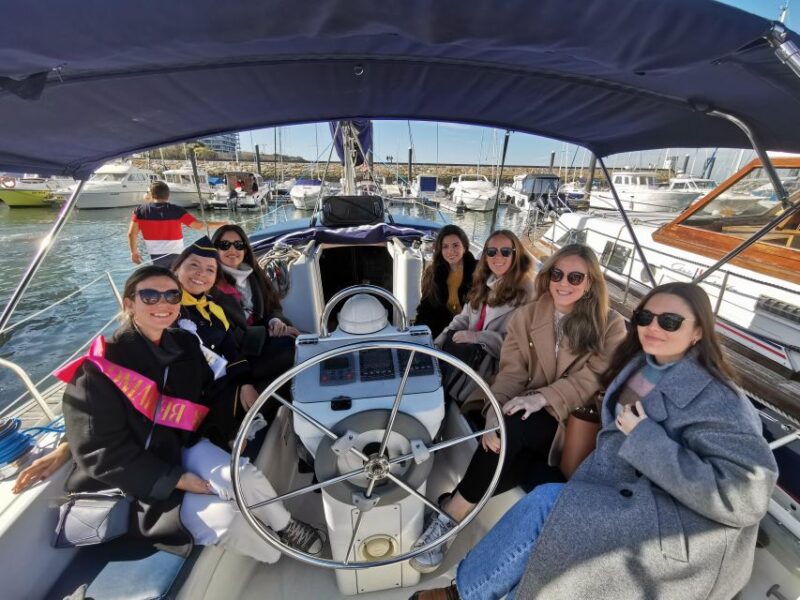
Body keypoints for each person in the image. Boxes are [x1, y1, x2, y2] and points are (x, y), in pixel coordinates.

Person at [412, 282, 778, 600]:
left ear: (698, 331)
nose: (653, 327)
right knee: (541, 509)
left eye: (670, 321)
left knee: (548, 505)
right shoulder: (640, 363)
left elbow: (747, 497)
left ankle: (460, 592)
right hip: (625, 496)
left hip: (675, 530)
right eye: (645, 318)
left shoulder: (720, 398)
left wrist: (644, 438)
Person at [59, 265, 323, 561]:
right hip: (136, 480)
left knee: (243, 477)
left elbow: (209, 395)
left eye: (172, 295)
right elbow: (99, 451)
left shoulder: (184, 344)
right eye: (150, 296)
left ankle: (286, 526)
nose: (163, 303)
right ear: (129, 303)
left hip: (179, 446)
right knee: (228, 520)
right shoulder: (99, 369)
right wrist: (175, 479)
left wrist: (232, 434)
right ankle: (275, 553)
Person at [411, 244, 626, 573]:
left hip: (568, 424)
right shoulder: (528, 316)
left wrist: (542, 398)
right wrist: (492, 412)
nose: (563, 283)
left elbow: (593, 378)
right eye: (557, 274)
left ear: (590, 283)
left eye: (575, 277)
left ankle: (450, 513)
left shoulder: (610, 324)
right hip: (525, 415)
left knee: (514, 424)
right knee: (526, 460)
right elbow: (511, 373)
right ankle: (453, 510)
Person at [170, 237, 261, 449]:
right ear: (176, 268)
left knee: (286, 351)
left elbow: (231, 350)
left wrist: (244, 383)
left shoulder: (213, 308)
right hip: (197, 393)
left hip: (226, 377)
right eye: (194, 265)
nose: (201, 273)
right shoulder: (168, 310)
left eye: (210, 270)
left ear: (215, 278)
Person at [433, 229, 534, 405]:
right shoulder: (485, 281)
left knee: (440, 396)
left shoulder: (527, 293)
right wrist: (438, 343)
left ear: (516, 254)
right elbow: (464, 317)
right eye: (492, 252)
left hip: (492, 368)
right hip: (468, 359)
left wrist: (478, 337)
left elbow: (523, 347)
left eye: (505, 252)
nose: (498, 257)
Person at [211, 225, 298, 398]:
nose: (232, 250)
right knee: (290, 351)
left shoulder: (254, 275)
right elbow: (228, 336)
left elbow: (273, 306)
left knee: (298, 343)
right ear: (215, 249)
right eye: (225, 245)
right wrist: (268, 332)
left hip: (259, 343)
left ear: (245, 249)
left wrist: (275, 321)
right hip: (238, 355)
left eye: (238, 245)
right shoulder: (212, 285)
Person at [127, 181, 223, 267]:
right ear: (168, 195)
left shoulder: (139, 211)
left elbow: (131, 234)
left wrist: (134, 252)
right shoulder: (177, 210)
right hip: (176, 255)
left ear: (151, 194)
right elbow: (199, 225)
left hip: (153, 256)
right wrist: (222, 223)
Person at [414, 224, 478, 339]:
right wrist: (418, 335)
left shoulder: (479, 271)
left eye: (455, 245)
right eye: (445, 247)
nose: (451, 251)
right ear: (440, 250)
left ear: (464, 246)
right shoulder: (432, 273)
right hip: (441, 333)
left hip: (471, 334)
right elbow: (426, 309)